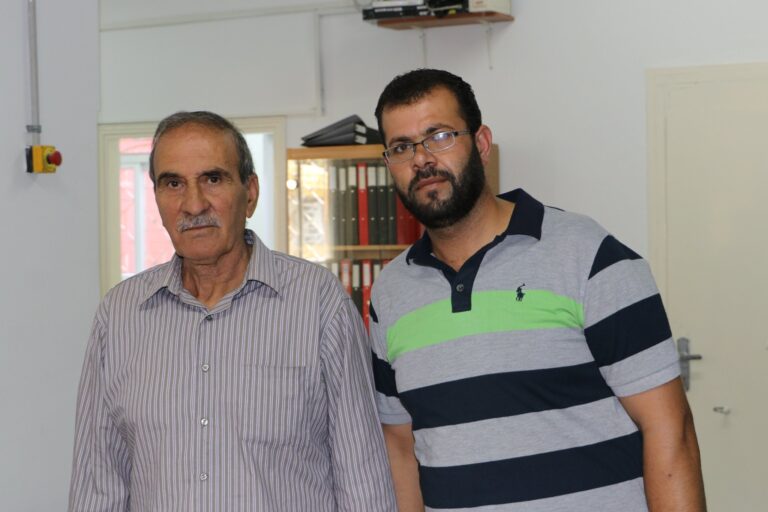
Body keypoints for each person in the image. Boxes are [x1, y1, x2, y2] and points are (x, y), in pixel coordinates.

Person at [369, 69, 706, 511]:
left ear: (481, 144)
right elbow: (399, 447)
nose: (422, 159)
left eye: (440, 136)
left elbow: (670, 431)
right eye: (401, 147)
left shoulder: (588, 255)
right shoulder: (390, 294)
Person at [68, 111, 396, 511]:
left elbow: (362, 479)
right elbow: (98, 487)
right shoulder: (119, 316)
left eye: (213, 179)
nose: (193, 204)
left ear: (250, 193)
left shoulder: (318, 303)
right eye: (173, 183)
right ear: (156, 198)